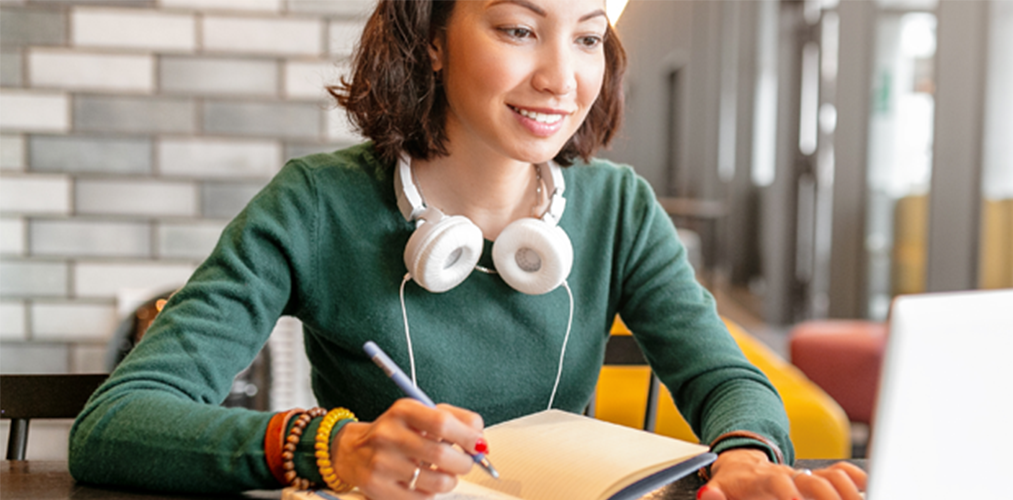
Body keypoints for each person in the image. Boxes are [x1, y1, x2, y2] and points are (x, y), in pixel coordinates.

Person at [68, 1, 867, 499]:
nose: (561, 77)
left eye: (587, 39)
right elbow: (115, 424)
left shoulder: (619, 207)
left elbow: (726, 377)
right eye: (520, 29)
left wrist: (744, 457)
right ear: (434, 38)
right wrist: (331, 448)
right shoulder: (315, 204)